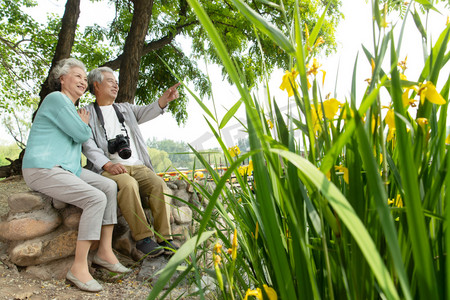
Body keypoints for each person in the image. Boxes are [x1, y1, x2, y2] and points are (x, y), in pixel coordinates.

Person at [22, 58, 130, 293]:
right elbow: (82, 134)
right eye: (77, 76)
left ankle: (104, 252)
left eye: (84, 78)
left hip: (67, 169)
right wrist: (83, 124)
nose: (83, 81)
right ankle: (78, 268)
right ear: (62, 79)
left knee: (109, 187)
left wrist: (81, 124)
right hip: (44, 167)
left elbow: (80, 134)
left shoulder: (71, 109)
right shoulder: (56, 100)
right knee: (95, 197)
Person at [82, 66, 181, 257]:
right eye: (110, 81)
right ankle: (143, 239)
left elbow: (148, 111)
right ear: (96, 85)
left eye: (117, 82)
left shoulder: (125, 109)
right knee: (128, 185)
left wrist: (164, 100)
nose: (116, 85)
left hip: (136, 164)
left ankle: (165, 239)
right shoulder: (87, 113)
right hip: (108, 167)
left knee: (159, 185)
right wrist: (108, 164)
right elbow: (88, 145)